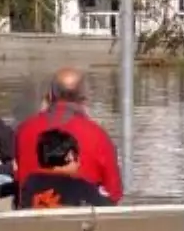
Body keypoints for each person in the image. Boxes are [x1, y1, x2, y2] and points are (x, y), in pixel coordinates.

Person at [15, 67, 123, 203]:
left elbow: (18, 180)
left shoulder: (24, 130)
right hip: (80, 219)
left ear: (50, 95)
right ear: (84, 98)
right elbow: (114, 193)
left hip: (32, 217)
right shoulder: (98, 135)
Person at [18, 129, 112, 208]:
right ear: (70, 156)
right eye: (77, 155)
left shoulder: (30, 183)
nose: (79, 162)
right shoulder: (82, 187)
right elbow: (107, 210)